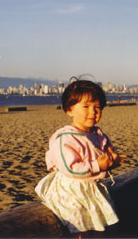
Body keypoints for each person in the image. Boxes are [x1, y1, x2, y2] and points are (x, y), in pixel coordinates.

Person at [35, 79, 126, 238]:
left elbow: (104, 152)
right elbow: (70, 168)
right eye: (86, 107)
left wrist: (111, 160)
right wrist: (97, 165)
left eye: (97, 107)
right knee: (80, 227)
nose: (93, 112)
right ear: (70, 110)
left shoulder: (97, 134)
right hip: (71, 189)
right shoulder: (65, 138)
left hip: (91, 186)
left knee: (102, 224)